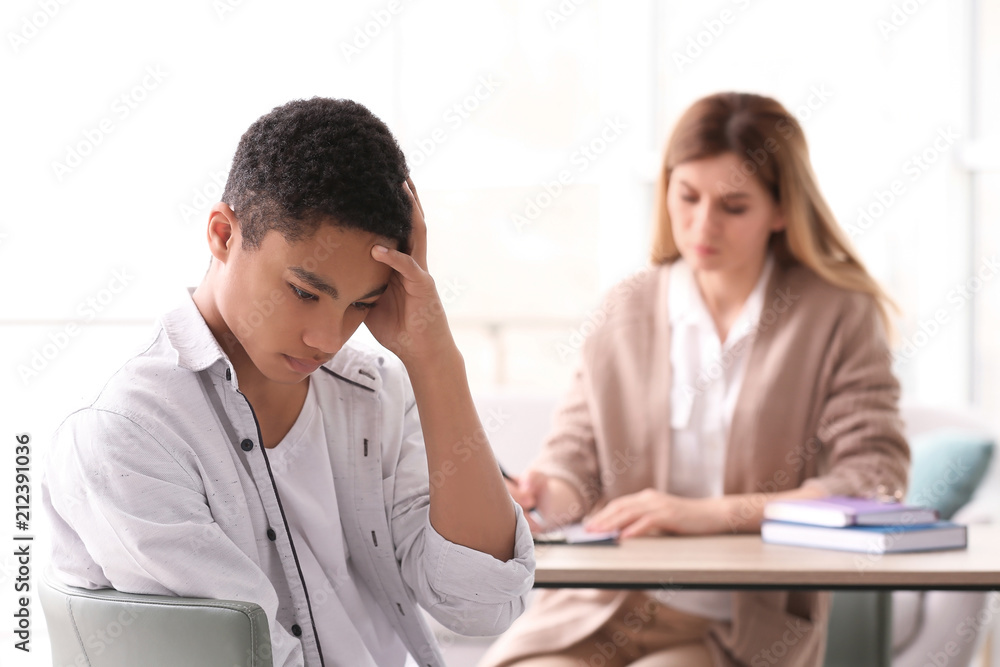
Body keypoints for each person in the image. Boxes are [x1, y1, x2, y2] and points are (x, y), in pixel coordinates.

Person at [42, 97, 535, 667]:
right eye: (304, 292)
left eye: (362, 304)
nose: (328, 339)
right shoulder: (128, 433)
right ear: (223, 234)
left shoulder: (375, 392)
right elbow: (248, 659)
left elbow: (483, 606)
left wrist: (435, 359)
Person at [480, 91, 909, 667]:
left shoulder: (835, 314)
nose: (703, 224)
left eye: (734, 206)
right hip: (597, 609)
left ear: (782, 211)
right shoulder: (626, 307)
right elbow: (573, 461)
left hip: (739, 627)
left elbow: (874, 480)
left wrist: (707, 514)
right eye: (687, 197)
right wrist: (538, 496)